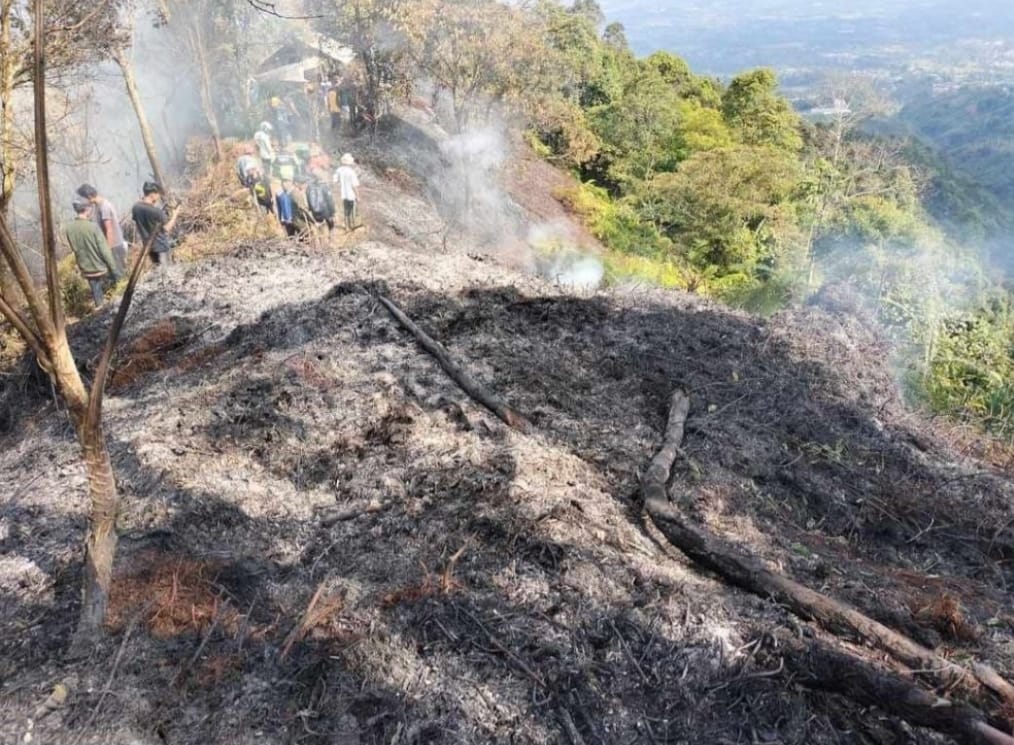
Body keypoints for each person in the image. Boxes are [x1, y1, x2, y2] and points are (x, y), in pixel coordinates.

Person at [63, 200, 121, 308]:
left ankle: (99, 308)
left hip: (86, 268)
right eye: (90, 208)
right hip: (100, 267)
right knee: (115, 286)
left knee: (96, 292)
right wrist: (114, 269)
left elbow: (74, 248)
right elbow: (104, 251)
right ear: (87, 209)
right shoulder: (93, 227)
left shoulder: (69, 228)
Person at [76, 183, 127, 275]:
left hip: (114, 246)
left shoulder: (104, 207)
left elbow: (109, 230)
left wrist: (108, 250)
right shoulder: (97, 206)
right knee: (113, 274)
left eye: (84, 198)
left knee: (118, 273)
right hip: (110, 245)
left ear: (89, 196)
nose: (84, 201)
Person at [132, 181, 180, 265]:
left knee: (157, 271)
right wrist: (175, 214)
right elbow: (166, 228)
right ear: (152, 194)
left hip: (149, 248)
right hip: (161, 248)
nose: (159, 197)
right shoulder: (156, 212)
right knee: (166, 272)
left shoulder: (135, 207)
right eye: (158, 194)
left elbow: (144, 219)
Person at [333, 152, 361, 231]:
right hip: (351, 194)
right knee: (352, 210)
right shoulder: (351, 172)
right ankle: (353, 225)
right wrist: (358, 196)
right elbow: (354, 185)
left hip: (343, 194)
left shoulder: (338, 170)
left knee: (346, 210)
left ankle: (346, 226)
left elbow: (335, 181)